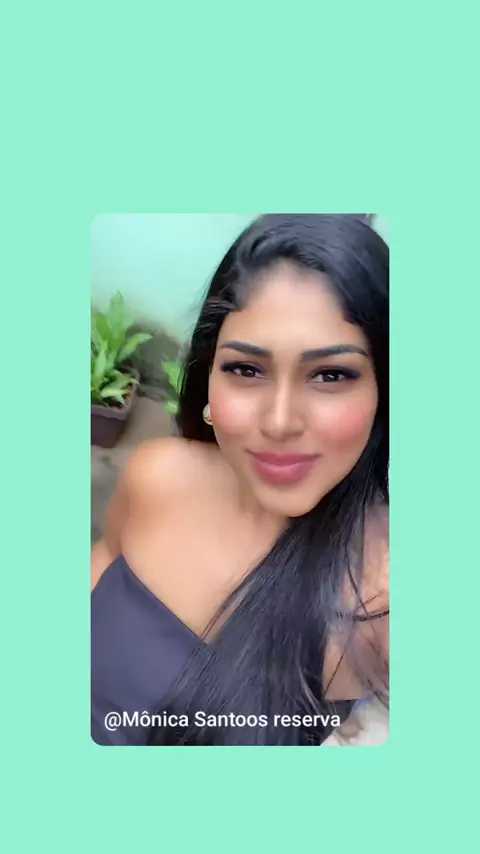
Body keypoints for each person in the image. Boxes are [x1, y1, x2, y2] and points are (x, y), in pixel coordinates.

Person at [91, 214, 389, 746]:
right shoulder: (158, 473)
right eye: (246, 370)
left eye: (331, 374)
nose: (279, 421)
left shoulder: (383, 603)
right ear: (209, 376)